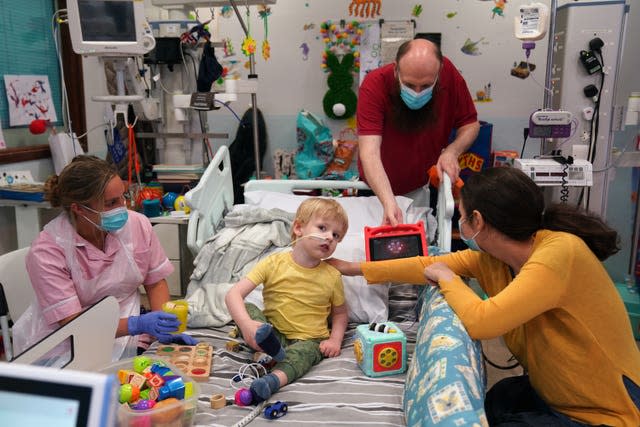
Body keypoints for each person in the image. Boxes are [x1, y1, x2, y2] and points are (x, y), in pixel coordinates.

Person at [329, 167, 640, 426]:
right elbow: (426, 264)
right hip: (555, 394)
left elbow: (483, 322)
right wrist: (350, 267)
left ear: (476, 220)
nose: (461, 225)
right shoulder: (497, 259)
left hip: (608, 412)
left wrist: (450, 280)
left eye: (461, 216)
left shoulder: (559, 253)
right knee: (499, 398)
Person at [13, 155, 196, 363]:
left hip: (128, 334)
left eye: (123, 197)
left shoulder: (137, 225)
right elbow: (72, 323)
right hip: (67, 346)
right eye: (111, 203)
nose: (122, 207)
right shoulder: (47, 252)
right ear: (78, 208)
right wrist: (136, 324)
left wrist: (165, 326)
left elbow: (154, 283)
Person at [225, 198, 349, 403]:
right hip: (273, 332)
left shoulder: (332, 275)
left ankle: (272, 380)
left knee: (303, 355)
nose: (329, 237)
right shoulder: (274, 263)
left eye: (336, 235)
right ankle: (267, 347)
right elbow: (233, 295)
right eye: (322, 228)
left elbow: (340, 313)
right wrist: (246, 325)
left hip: (309, 340)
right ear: (299, 228)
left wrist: (335, 340)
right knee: (248, 308)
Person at [357, 38, 480, 226]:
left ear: (439, 73)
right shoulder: (375, 84)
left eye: (425, 86)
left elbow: (471, 125)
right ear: (396, 69)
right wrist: (389, 202)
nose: (417, 92)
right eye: (409, 85)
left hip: (421, 187)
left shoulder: (450, 76)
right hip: (375, 188)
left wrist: (452, 152)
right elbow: (369, 152)